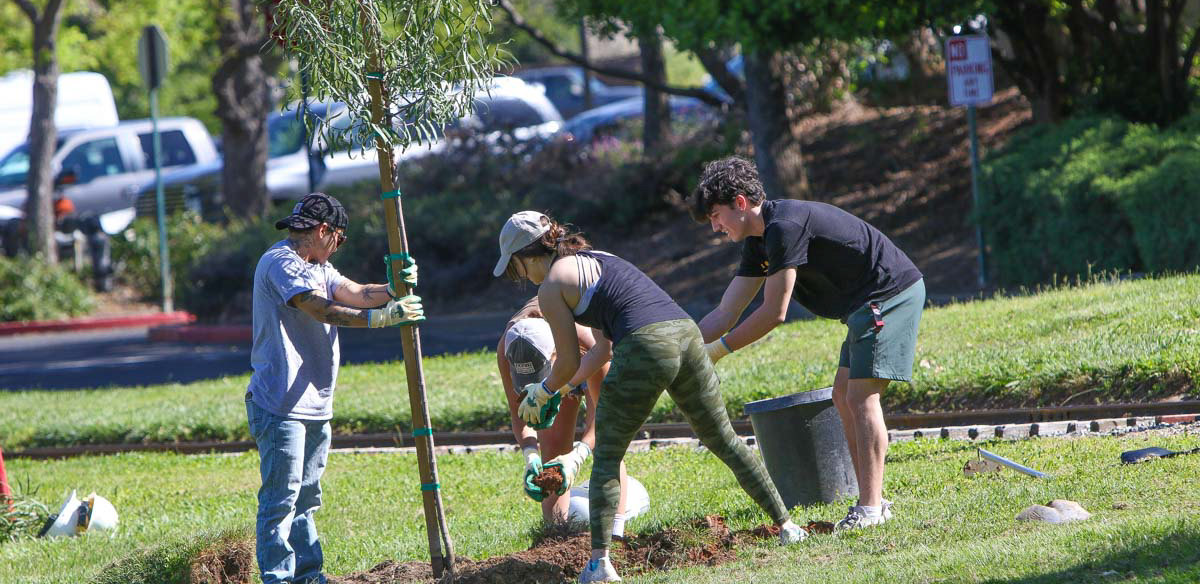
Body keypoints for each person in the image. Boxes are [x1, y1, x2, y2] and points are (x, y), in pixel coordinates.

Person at [493, 210, 806, 584]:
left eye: (517, 270)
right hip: (687, 335)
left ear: (525, 257)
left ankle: (599, 564)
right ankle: (787, 525)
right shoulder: (597, 261)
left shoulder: (551, 287)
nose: (523, 279)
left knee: (608, 455)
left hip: (645, 344)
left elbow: (570, 359)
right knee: (723, 438)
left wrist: (542, 392)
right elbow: (601, 351)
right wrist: (559, 389)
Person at [689, 156, 926, 531]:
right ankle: (873, 502)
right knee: (842, 396)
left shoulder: (784, 227)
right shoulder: (759, 240)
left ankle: (870, 508)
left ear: (739, 203)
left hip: (888, 294)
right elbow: (726, 311)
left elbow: (773, 313)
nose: (714, 226)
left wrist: (716, 352)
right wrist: (682, 345)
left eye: (715, 215)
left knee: (861, 398)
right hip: (863, 305)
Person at [246, 192, 423, 584]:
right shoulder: (280, 263)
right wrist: (381, 319)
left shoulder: (319, 267)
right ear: (325, 231)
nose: (337, 248)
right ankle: (277, 577)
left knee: (307, 498)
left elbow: (356, 292)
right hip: (280, 405)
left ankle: (309, 575)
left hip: (314, 405)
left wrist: (394, 288)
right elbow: (320, 308)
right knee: (281, 500)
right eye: (339, 239)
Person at [497, 297, 634, 533]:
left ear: (556, 353)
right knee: (553, 448)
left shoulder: (594, 344)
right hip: (565, 365)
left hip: (594, 354)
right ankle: (555, 535)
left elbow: (605, 419)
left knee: (609, 448)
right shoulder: (508, 347)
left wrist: (578, 455)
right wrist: (530, 454)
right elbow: (518, 412)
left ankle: (615, 534)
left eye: (541, 377)